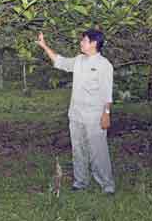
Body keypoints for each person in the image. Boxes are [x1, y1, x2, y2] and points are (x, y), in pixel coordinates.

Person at [36, 29, 115, 194]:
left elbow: (107, 92)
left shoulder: (104, 65)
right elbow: (61, 62)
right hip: (76, 114)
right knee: (78, 149)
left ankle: (107, 185)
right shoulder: (79, 60)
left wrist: (106, 114)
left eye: (84, 40)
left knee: (98, 151)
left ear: (93, 43)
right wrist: (44, 46)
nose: (81, 43)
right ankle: (80, 182)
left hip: (94, 116)